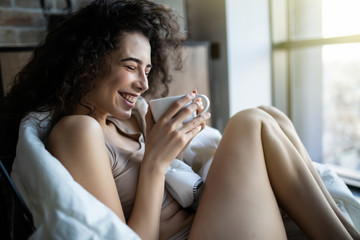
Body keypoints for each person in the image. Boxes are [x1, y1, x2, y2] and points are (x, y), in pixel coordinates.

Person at [0, 0, 359, 239]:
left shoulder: (129, 119)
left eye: (147, 69)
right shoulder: (78, 130)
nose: (143, 83)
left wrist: (175, 149)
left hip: (206, 219)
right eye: (130, 67)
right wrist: (155, 162)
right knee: (250, 123)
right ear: (87, 64)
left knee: (270, 115)